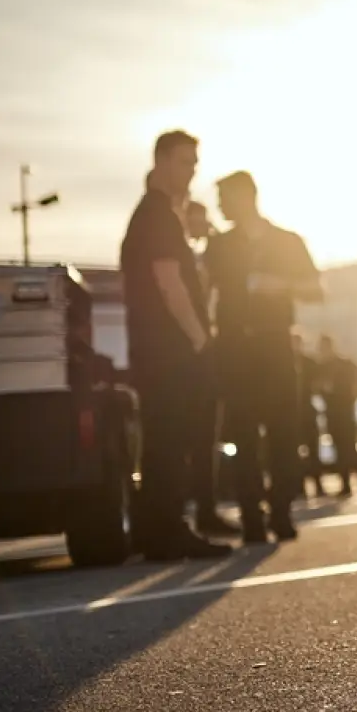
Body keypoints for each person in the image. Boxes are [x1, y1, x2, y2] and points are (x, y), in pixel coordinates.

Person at [118, 132, 230, 561]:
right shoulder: (157, 215)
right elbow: (169, 282)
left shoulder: (155, 214)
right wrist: (201, 340)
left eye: (195, 163)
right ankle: (167, 532)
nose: (192, 171)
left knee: (162, 439)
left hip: (156, 352)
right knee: (171, 440)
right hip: (170, 353)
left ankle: (155, 531)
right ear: (162, 161)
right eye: (186, 162)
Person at [207, 171, 322, 543]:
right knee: (242, 434)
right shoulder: (219, 246)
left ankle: (281, 509)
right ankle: (252, 516)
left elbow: (316, 290)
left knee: (284, 431)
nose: (220, 205)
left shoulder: (287, 242)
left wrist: (280, 285)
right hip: (234, 348)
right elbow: (204, 291)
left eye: (225, 197)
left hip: (275, 345)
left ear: (246, 196)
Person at [179, 197, 240, 539]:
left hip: (208, 351)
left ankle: (206, 506)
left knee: (207, 435)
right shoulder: (185, 256)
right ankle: (197, 508)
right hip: (192, 353)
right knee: (192, 436)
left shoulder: (208, 255)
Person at [315, 335, 357, 497]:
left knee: (350, 447)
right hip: (333, 412)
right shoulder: (323, 368)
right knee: (341, 448)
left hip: (345, 410)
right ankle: (348, 482)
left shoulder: (344, 366)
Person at [293, 331, 324, 499]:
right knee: (294, 450)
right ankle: (298, 485)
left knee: (313, 448)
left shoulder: (310, 363)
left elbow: (320, 383)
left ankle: (318, 483)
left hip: (307, 408)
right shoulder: (283, 362)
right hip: (291, 411)